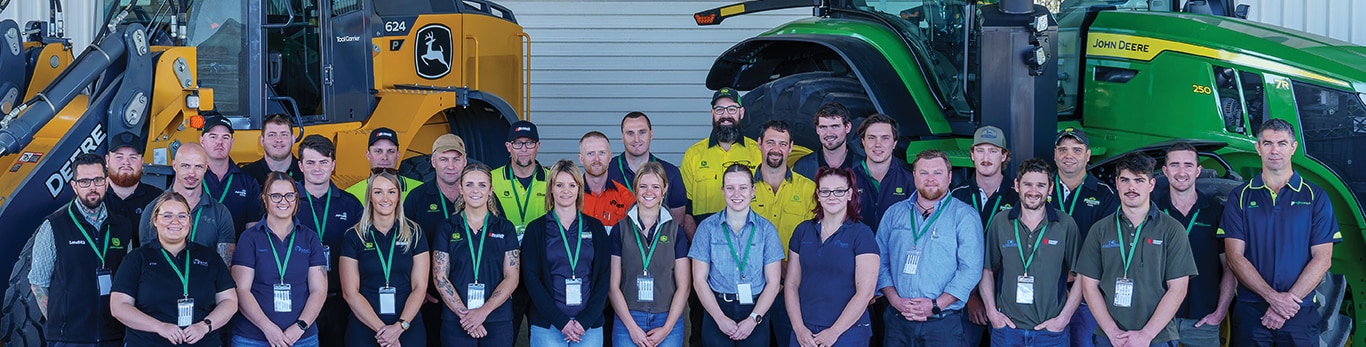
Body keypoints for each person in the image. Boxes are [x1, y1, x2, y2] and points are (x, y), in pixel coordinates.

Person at [1220, 118, 1340, 346]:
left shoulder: (1316, 197)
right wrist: (1274, 299)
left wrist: (1285, 305)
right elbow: (1235, 258)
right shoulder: (1240, 197)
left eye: (1282, 143)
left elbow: (1323, 259)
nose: (1275, 150)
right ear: (1258, 148)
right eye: (1267, 143)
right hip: (1251, 313)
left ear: (1293, 148)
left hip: (1299, 313)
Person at [1076, 152, 1197, 347]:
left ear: (1151, 185)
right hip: (1109, 338)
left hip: (1158, 338)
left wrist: (1146, 335)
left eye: (1139, 180)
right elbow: (1089, 286)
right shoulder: (1099, 230)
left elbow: (1178, 288)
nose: (1131, 187)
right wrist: (1112, 332)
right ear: (1116, 183)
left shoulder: (1172, 229)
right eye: (1125, 180)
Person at [875, 149, 983, 346]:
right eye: (924, 172)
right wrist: (895, 300)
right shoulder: (894, 213)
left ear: (949, 177)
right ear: (914, 176)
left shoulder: (965, 216)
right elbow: (879, 261)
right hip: (898, 321)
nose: (930, 179)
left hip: (943, 324)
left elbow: (970, 270)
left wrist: (935, 305)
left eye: (937, 173)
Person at [28, 154, 134, 346]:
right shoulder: (54, 226)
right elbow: (38, 282)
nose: (92, 187)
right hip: (69, 339)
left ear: (107, 183)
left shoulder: (122, 226)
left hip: (114, 336)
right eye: (84, 181)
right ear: (74, 186)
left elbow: (130, 280)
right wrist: (61, 319)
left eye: (97, 180)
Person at [110, 192, 239, 346]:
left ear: (189, 221)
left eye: (182, 216)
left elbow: (229, 300)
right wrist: (159, 327)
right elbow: (118, 306)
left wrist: (204, 326)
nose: (175, 222)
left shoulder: (209, 258)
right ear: (155, 220)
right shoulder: (137, 259)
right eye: (167, 216)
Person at [979, 158, 1083, 346]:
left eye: (1041, 185)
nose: (1034, 191)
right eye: (1027, 184)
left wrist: (1063, 319)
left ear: (1050, 188)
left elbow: (1081, 276)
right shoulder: (1000, 222)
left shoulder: (1065, 224)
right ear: (1017, 185)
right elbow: (986, 269)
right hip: (1007, 331)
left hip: (1050, 333)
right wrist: (992, 313)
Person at [689, 163, 785, 347]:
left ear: (753, 190)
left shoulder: (767, 230)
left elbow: (773, 283)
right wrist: (719, 318)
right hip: (717, 308)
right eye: (730, 188)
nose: (737, 194)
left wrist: (753, 319)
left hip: (756, 310)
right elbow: (699, 280)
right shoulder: (707, 228)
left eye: (743, 188)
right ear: (723, 190)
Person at [230, 172, 328, 347]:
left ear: (297, 198)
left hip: (301, 338)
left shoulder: (310, 238)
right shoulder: (249, 238)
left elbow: (319, 290)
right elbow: (242, 290)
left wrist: (300, 326)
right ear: (264, 199)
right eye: (276, 196)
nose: (284, 201)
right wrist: (267, 328)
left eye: (290, 195)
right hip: (253, 338)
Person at [522, 160, 614, 346]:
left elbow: (604, 278)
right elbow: (531, 279)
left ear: (579, 189)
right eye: (559, 185)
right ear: (551, 189)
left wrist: (584, 321)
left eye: (572, 185)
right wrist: (561, 322)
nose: (566, 190)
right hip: (548, 326)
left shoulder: (595, 228)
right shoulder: (536, 229)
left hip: (588, 327)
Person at [784, 167, 879, 347]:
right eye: (825, 191)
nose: (832, 196)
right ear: (818, 195)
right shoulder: (803, 231)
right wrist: (798, 328)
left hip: (849, 332)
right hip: (805, 332)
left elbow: (865, 292)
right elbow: (791, 284)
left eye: (839, 191)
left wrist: (833, 333)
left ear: (850, 194)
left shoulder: (862, 234)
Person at [432, 163, 522, 347]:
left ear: (490, 190)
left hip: (497, 320)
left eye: (482, 185)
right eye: (469, 184)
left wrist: (482, 312)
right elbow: (439, 276)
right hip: (457, 320)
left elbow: (512, 277)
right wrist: (466, 316)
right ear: (461, 189)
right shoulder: (447, 227)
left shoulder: (505, 228)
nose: (476, 190)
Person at [340, 171, 432, 347]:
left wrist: (399, 327)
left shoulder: (415, 233)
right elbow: (350, 292)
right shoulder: (354, 236)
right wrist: (384, 331)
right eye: (378, 192)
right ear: (369, 197)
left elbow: (420, 287)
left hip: (407, 327)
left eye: (391, 191)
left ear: (398, 197)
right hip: (365, 328)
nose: (385, 198)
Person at [1154, 142, 1232, 347]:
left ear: (1198, 171)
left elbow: (1230, 268)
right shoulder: (1151, 212)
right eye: (1174, 165)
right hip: (1156, 320)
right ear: (1164, 171)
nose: (1181, 172)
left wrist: (1220, 313)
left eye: (1188, 165)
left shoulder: (1216, 212)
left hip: (1202, 321)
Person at [608, 162, 693, 347]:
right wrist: (632, 327)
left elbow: (684, 286)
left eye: (656, 187)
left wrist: (667, 328)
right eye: (643, 186)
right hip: (628, 317)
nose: (649, 192)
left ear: (664, 189)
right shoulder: (620, 230)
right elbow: (613, 286)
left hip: (667, 318)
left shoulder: (675, 231)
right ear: (635, 188)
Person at [951, 125, 1020, 346]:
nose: (986, 157)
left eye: (993, 150)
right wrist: (972, 297)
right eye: (980, 150)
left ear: (1004, 155)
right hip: (964, 296)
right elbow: (950, 252)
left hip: (1007, 296)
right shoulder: (957, 195)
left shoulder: (1018, 195)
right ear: (971, 154)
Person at [749, 120, 815, 347]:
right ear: (759, 144)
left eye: (782, 143)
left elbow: (813, 240)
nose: (776, 149)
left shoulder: (808, 189)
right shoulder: (742, 187)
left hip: (792, 288)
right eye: (770, 142)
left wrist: (785, 269)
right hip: (753, 287)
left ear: (790, 147)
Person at [295, 134, 364, 347]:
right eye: (311, 162)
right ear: (300, 166)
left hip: (340, 300)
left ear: (333, 165)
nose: (318, 168)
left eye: (324, 162)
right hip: (300, 299)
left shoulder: (351, 204)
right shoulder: (287, 202)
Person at [1051, 127, 1118, 347]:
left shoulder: (1105, 194)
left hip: (1088, 294)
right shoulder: (1040, 188)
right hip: (1045, 291)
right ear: (1055, 154)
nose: (1069, 155)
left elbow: (1107, 246)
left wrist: (1075, 275)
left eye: (1077, 150)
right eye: (1063, 150)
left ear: (1088, 155)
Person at [404, 133, 470, 346]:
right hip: (428, 297)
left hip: (471, 297)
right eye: (444, 159)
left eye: (456, 159)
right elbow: (402, 248)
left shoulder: (480, 196)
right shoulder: (416, 198)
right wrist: (416, 291)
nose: (450, 165)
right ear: (433, 162)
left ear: (465, 161)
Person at [491, 120, 549, 343]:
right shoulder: (491, 179)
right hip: (504, 272)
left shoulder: (552, 178)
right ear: (508, 146)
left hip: (542, 272)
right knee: (505, 336)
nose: (523, 149)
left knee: (544, 337)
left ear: (538, 145)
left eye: (529, 143)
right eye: (518, 143)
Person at [139, 143, 237, 266]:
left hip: (207, 284)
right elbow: (147, 262)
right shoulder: (153, 210)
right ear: (174, 165)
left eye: (198, 167)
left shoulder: (221, 213)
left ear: (206, 168)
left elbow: (224, 268)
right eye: (185, 166)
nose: (192, 173)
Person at [681, 87, 762, 223]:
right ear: (712, 113)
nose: (725, 115)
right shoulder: (693, 154)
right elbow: (685, 208)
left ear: (741, 113)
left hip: (749, 236)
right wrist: (699, 240)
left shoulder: (757, 152)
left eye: (732, 109)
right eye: (719, 109)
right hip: (706, 237)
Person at [608, 111, 693, 238]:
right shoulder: (607, 171)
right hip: (615, 249)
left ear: (651, 134)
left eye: (642, 132)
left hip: (660, 250)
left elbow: (677, 223)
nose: (636, 139)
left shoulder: (671, 173)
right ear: (622, 137)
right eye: (630, 133)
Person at [198, 114, 264, 233]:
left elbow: (252, 230)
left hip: (237, 249)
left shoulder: (248, 182)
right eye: (213, 137)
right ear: (202, 141)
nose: (219, 142)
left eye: (225, 137)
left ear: (232, 142)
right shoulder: (192, 178)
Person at [851, 113, 914, 232]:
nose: (878, 144)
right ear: (863, 141)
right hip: (857, 249)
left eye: (885, 138)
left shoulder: (910, 181)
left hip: (896, 249)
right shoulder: (848, 180)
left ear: (894, 143)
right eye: (871, 138)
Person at [345, 127, 425, 200]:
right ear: (368, 155)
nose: (384, 157)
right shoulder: (351, 195)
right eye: (378, 151)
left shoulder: (421, 191)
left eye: (391, 151)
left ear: (398, 155)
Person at [792, 102, 863, 180]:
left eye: (835, 126)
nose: (828, 133)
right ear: (817, 129)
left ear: (848, 127)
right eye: (823, 127)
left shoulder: (863, 167)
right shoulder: (803, 167)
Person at [580, 131, 635, 230]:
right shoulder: (571, 196)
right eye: (590, 153)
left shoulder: (626, 197)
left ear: (610, 157)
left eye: (601, 153)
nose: (596, 159)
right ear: (581, 158)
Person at [105, 136, 163, 223]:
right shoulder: (93, 198)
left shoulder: (158, 200)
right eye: (119, 157)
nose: (126, 162)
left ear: (142, 162)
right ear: (107, 160)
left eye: (133, 157)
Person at [242, 114, 304, 184]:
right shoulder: (245, 176)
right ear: (262, 141)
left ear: (293, 139)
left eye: (284, 134)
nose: (278, 140)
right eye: (272, 135)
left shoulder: (306, 173)